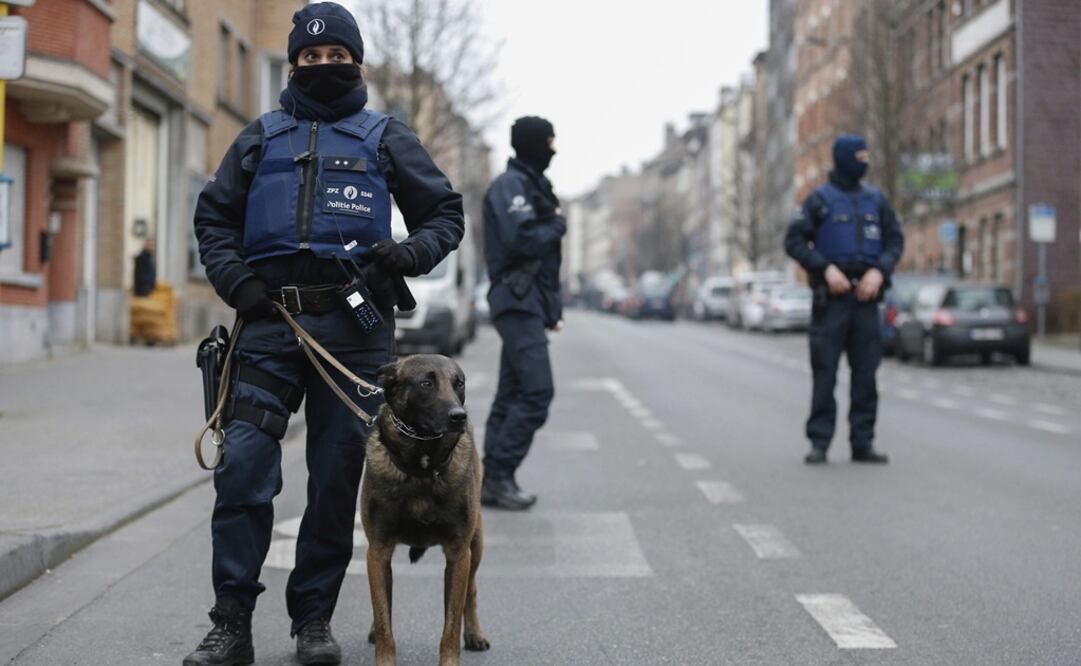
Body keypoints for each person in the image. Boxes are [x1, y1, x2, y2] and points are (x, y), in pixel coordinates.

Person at [186, 3, 464, 664]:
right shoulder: (259, 136)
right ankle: (231, 623)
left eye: (334, 57)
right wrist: (236, 283)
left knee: (337, 481)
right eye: (309, 59)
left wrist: (408, 253)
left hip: (354, 333)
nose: (321, 66)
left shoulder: (384, 136)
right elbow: (213, 219)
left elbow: (444, 214)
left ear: (354, 62)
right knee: (245, 468)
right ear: (294, 65)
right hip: (269, 325)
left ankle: (313, 621)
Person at [784, 134, 904, 466]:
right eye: (860, 156)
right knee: (825, 373)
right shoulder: (819, 200)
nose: (865, 162)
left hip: (866, 301)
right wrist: (825, 269)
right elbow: (794, 241)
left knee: (866, 375)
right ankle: (819, 442)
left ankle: (862, 443)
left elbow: (895, 241)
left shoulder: (876, 200)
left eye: (868, 156)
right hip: (830, 302)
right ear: (845, 158)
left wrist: (879, 271)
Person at [481, 116, 565, 511]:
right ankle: (498, 473)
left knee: (512, 392)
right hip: (516, 301)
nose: (553, 149)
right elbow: (522, 240)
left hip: (525, 301)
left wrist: (551, 310)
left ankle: (492, 478)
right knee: (536, 392)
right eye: (549, 141)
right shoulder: (511, 186)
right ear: (533, 144)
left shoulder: (531, 185)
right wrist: (558, 226)